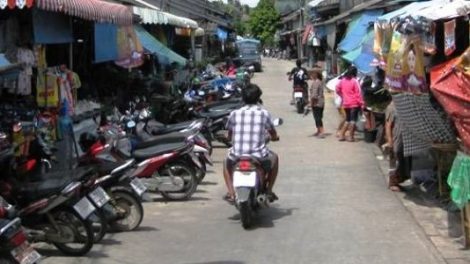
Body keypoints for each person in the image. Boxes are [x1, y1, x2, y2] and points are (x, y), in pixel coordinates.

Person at [222, 84, 280, 203]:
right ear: (258, 98)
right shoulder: (264, 113)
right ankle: (268, 191)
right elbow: (272, 132)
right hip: (258, 155)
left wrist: (228, 138)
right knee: (275, 158)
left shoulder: (234, 113)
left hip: (237, 155)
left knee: (225, 164)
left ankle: (231, 193)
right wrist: (275, 137)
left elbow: (229, 134)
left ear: (243, 98)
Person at [336, 66, 364, 142]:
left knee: (347, 120)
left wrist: (342, 95)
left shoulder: (342, 80)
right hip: (354, 104)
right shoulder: (355, 81)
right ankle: (351, 137)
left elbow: (337, 89)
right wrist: (361, 104)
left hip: (346, 103)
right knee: (353, 121)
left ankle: (342, 135)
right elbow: (359, 93)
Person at [309, 71, 325, 137]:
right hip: (320, 102)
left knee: (317, 118)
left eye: (312, 73)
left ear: (315, 74)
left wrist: (311, 103)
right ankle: (318, 131)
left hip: (316, 103)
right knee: (318, 117)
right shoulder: (320, 82)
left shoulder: (316, 83)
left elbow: (314, 95)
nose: (311, 75)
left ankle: (321, 132)